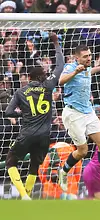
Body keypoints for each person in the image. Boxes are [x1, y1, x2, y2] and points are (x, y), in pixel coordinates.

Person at [4, 33, 64, 200]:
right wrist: (56, 43)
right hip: (44, 136)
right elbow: (60, 66)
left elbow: (8, 112)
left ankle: (23, 195)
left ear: (29, 78)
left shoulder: (20, 91)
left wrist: (21, 113)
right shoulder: (48, 86)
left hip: (27, 133)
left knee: (10, 162)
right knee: (34, 165)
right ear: (42, 76)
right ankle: (27, 196)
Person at [58, 45, 100, 192]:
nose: (89, 58)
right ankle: (63, 172)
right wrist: (75, 71)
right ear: (77, 58)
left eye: (90, 55)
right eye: (85, 56)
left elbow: (89, 71)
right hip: (73, 114)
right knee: (82, 151)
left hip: (88, 112)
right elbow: (61, 81)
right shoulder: (70, 67)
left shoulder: (87, 67)